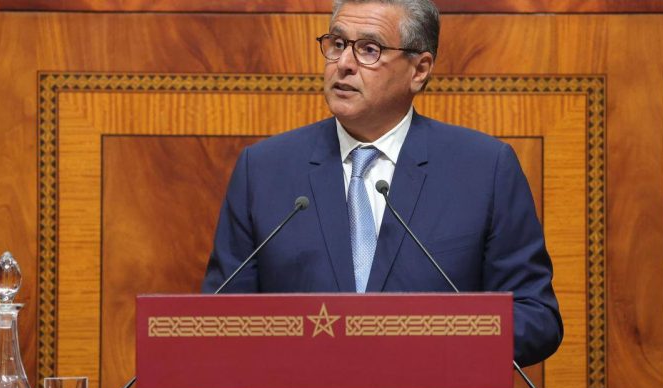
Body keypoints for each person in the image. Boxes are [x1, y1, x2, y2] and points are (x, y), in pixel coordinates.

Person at [202, 0, 562, 367]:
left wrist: (428, 344)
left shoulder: (484, 169)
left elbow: (536, 316)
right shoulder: (263, 170)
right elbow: (221, 320)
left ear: (419, 70)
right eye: (337, 44)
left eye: (369, 49)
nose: (344, 63)